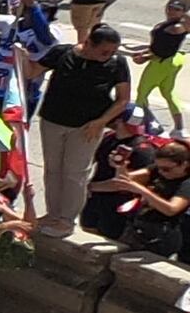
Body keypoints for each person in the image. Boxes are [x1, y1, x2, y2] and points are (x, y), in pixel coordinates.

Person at [33, 24, 132, 236]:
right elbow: (32, 71)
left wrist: (101, 121)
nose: (108, 56)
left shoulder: (117, 64)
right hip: (53, 120)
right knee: (53, 170)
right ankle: (53, 213)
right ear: (88, 44)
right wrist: (19, 55)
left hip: (87, 126)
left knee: (74, 173)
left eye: (112, 52)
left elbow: (123, 99)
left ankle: (67, 220)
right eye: (104, 51)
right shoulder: (63, 54)